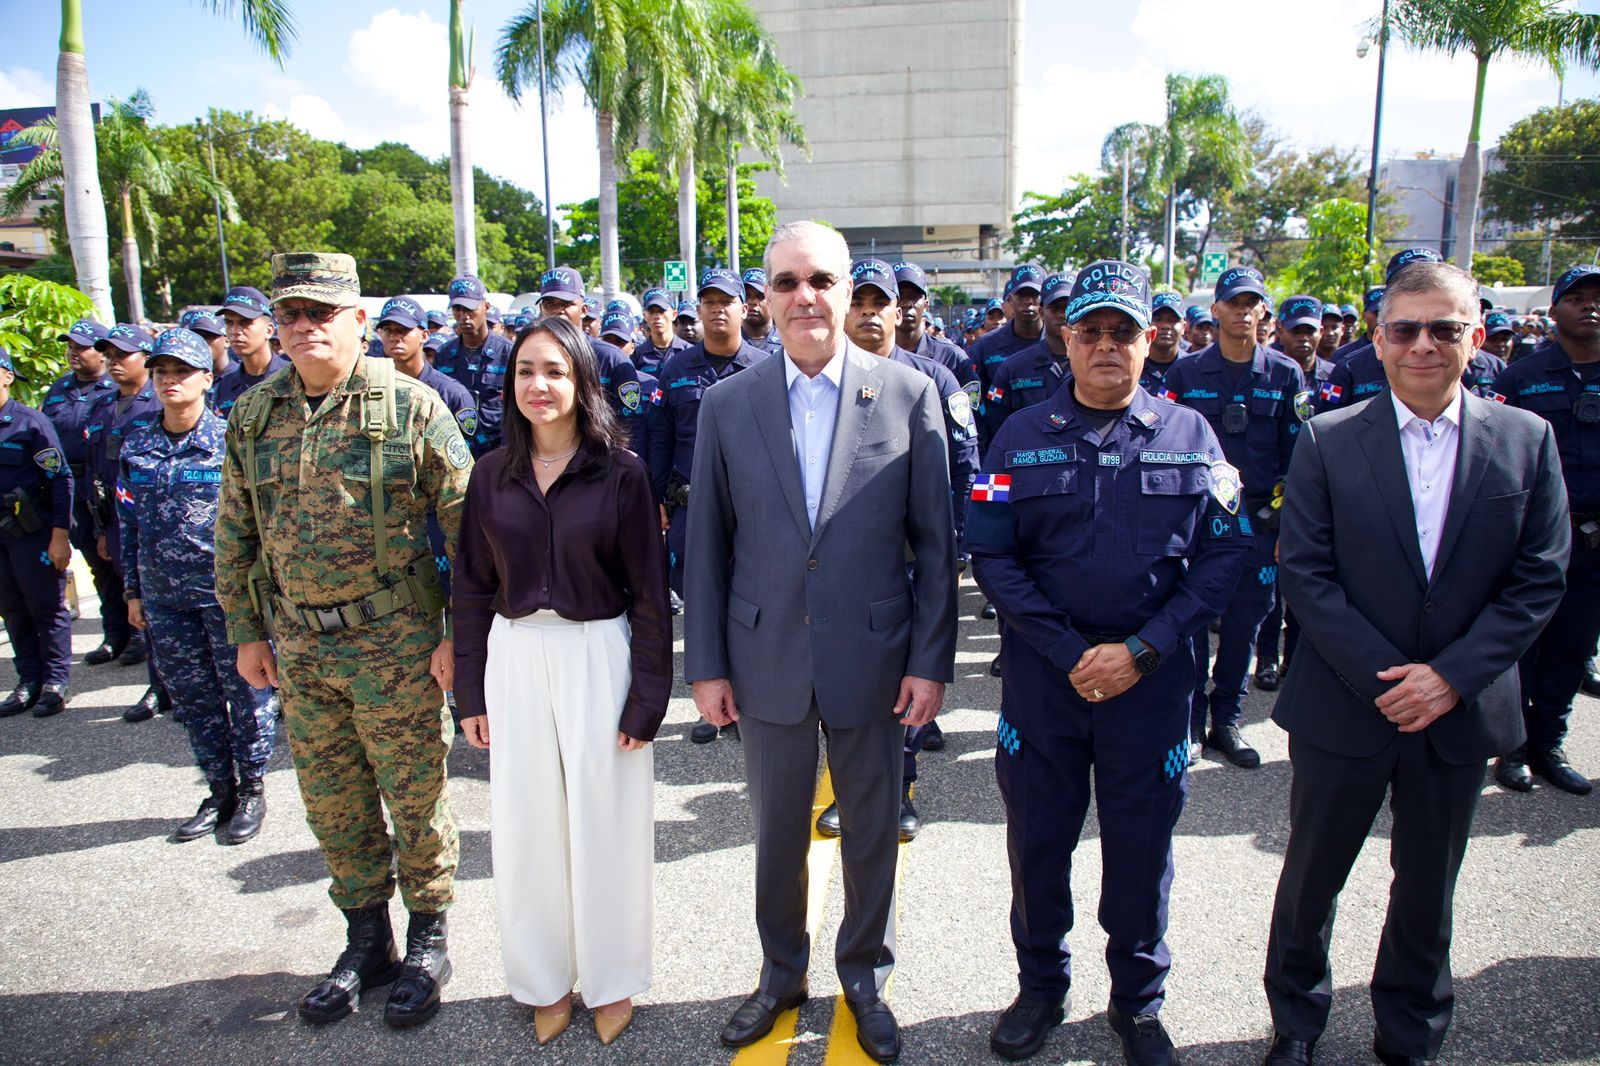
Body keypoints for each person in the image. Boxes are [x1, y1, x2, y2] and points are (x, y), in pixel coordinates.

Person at [1260, 260, 1568, 1066]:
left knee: (1428, 894)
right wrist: (1388, 679)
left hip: (1458, 712)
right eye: (1406, 329)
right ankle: (1296, 1024)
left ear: (1476, 334)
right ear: (1379, 338)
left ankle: (1410, 1032)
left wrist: (1449, 678)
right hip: (1345, 705)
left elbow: (1540, 577)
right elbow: (1307, 573)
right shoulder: (1328, 439)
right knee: (1310, 884)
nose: (1425, 346)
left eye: (1446, 328)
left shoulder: (1527, 440)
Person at [685, 221, 957, 1064]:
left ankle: (864, 976)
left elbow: (939, 546)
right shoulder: (727, 404)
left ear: (849, 292)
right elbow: (707, 545)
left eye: (822, 280)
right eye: (787, 281)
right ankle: (779, 975)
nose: (805, 296)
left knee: (872, 827)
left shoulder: (909, 393)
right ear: (766, 298)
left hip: (874, 657)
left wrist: (929, 661)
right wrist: (706, 667)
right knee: (775, 832)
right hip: (763, 654)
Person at [970, 259, 1250, 1066]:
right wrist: (1069, 653)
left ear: (1149, 340)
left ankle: (1138, 1001)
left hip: (1151, 689)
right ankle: (1041, 987)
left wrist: (1143, 650)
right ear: (1066, 338)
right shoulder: (1016, 439)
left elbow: (1223, 558)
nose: (1104, 346)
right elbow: (992, 559)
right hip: (1045, 688)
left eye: (1121, 332)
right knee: (1038, 850)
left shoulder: (1193, 436)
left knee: (1140, 857)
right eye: (1089, 330)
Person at [214, 252, 473, 1030]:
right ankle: (368, 941)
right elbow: (234, 533)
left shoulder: (414, 407)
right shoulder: (254, 415)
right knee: (333, 803)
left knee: (414, 797)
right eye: (291, 314)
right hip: (299, 647)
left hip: (395, 643)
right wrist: (244, 631)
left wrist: (460, 635)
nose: (303, 327)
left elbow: (471, 537)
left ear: (359, 321)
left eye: (321, 313)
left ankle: (429, 937)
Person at [453, 316, 671, 1048]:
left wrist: (647, 700)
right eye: (524, 372)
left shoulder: (623, 474)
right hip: (515, 658)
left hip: (597, 655)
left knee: (606, 827)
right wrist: (471, 694)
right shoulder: (489, 476)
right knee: (526, 831)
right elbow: (471, 590)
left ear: (581, 382)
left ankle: (611, 981)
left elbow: (648, 594)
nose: (538, 386)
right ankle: (544, 982)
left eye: (553, 371)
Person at [810, 257, 976, 840]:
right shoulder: (819, 384)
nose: (870, 315)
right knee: (844, 682)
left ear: (897, 311)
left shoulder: (930, 380)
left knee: (902, 684)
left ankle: (899, 789)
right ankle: (847, 783)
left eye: (880, 305)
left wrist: (950, 548)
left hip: (909, 564)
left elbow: (962, 466)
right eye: (860, 303)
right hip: (849, 565)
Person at [118, 327, 276, 844]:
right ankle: (219, 788)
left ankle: (252, 786)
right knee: (193, 698)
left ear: (207, 379)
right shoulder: (137, 443)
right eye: (162, 372)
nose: (169, 381)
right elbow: (127, 522)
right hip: (165, 597)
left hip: (224, 597)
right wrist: (133, 591)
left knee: (245, 694)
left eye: (182, 372)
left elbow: (256, 521)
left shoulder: (231, 439)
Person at [1163, 266, 1306, 768]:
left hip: (1261, 521)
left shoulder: (1286, 374)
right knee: (1193, 621)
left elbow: (1299, 459)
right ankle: (1192, 717)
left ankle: (1226, 716)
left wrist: (1283, 522)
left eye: (1253, 304)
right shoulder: (1184, 372)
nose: (1243, 312)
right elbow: (1171, 447)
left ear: (1263, 312)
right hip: (1201, 524)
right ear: (1217, 309)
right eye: (1234, 303)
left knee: (1245, 624)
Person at [1489, 264, 1600, 795]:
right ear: (1553, 310)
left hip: (1596, 540)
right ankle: (1511, 751)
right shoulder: (1521, 378)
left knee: (1573, 648)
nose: (1589, 306)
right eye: (1576, 298)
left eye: (1597, 298)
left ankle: (1548, 743)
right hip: (1533, 536)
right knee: (1521, 646)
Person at [655, 269, 767, 742]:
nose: (718, 309)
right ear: (698, 311)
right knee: (701, 600)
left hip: (752, 510)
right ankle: (710, 705)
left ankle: (752, 698)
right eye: (709, 301)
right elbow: (658, 439)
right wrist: (656, 496)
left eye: (728, 301)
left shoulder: (767, 367)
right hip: (691, 508)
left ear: (745, 308)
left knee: (749, 601)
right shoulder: (676, 371)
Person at [87, 324, 169, 721]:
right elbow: (98, 475)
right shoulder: (101, 408)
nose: (114, 362)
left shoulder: (163, 406)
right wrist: (104, 528)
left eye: (123, 354)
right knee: (146, 612)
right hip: (124, 521)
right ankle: (159, 686)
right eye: (110, 355)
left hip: (173, 527)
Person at [1255, 296, 1333, 688]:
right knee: (1267, 599)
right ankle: (1267, 658)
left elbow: (1302, 453)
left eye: (1310, 331)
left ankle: (1298, 660)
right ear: (1279, 330)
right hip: (1255, 508)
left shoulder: (1338, 375)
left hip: (1302, 501)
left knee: (1303, 590)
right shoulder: (1274, 372)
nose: (1303, 338)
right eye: (1296, 330)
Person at [42, 318, 124, 666]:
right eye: (70, 347)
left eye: (82, 347)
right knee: (96, 562)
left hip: (108, 485)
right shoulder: (59, 390)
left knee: (120, 561)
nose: (74, 353)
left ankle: (137, 634)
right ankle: (116, 633)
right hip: (71, 486)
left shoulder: (113, 391)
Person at [0, 344, 74, 719]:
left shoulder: (30, 423)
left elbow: (61, 480)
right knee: (11, 608)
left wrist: (60, 536)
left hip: (32, 531)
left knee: (45, 606)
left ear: (8, 375)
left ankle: (55, 681)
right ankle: (28, 679)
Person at [434, 274, 512, 456]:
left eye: (470, 309)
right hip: (457, 448)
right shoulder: (444, 354)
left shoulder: (508, 353)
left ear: (486, 307)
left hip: (499, 449)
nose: (463, 316)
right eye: (458, 309)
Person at [893, 261, 979, 395]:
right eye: (900, 296)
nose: (907, 303)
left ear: (926, 305)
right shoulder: (873, 355)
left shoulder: (953, 357)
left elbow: (970, 412)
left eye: (914, 297)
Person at [212, 286, 289, 421]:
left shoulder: (293, 376)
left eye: (245, 322)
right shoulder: (224, 386)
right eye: (229, 323)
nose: (235, 331)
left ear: (269, 330)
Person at [632, 288, 688, 374]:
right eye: (651, 311)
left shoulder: (688, 351)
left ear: (674, 315)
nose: (657, 316)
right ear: (645, 316)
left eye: (661, 311)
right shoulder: (637, 355)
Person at [1139, 293, 1186, 393]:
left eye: (1173, 320)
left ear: (1184, 327)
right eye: (1158, 319)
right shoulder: (1134, 364)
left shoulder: (1193, 368)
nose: (1165, 326)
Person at [741, 268, 785, 356]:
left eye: (760, 296)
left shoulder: (787, 343)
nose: (752, 301)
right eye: (747, 296)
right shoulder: (729, 342)